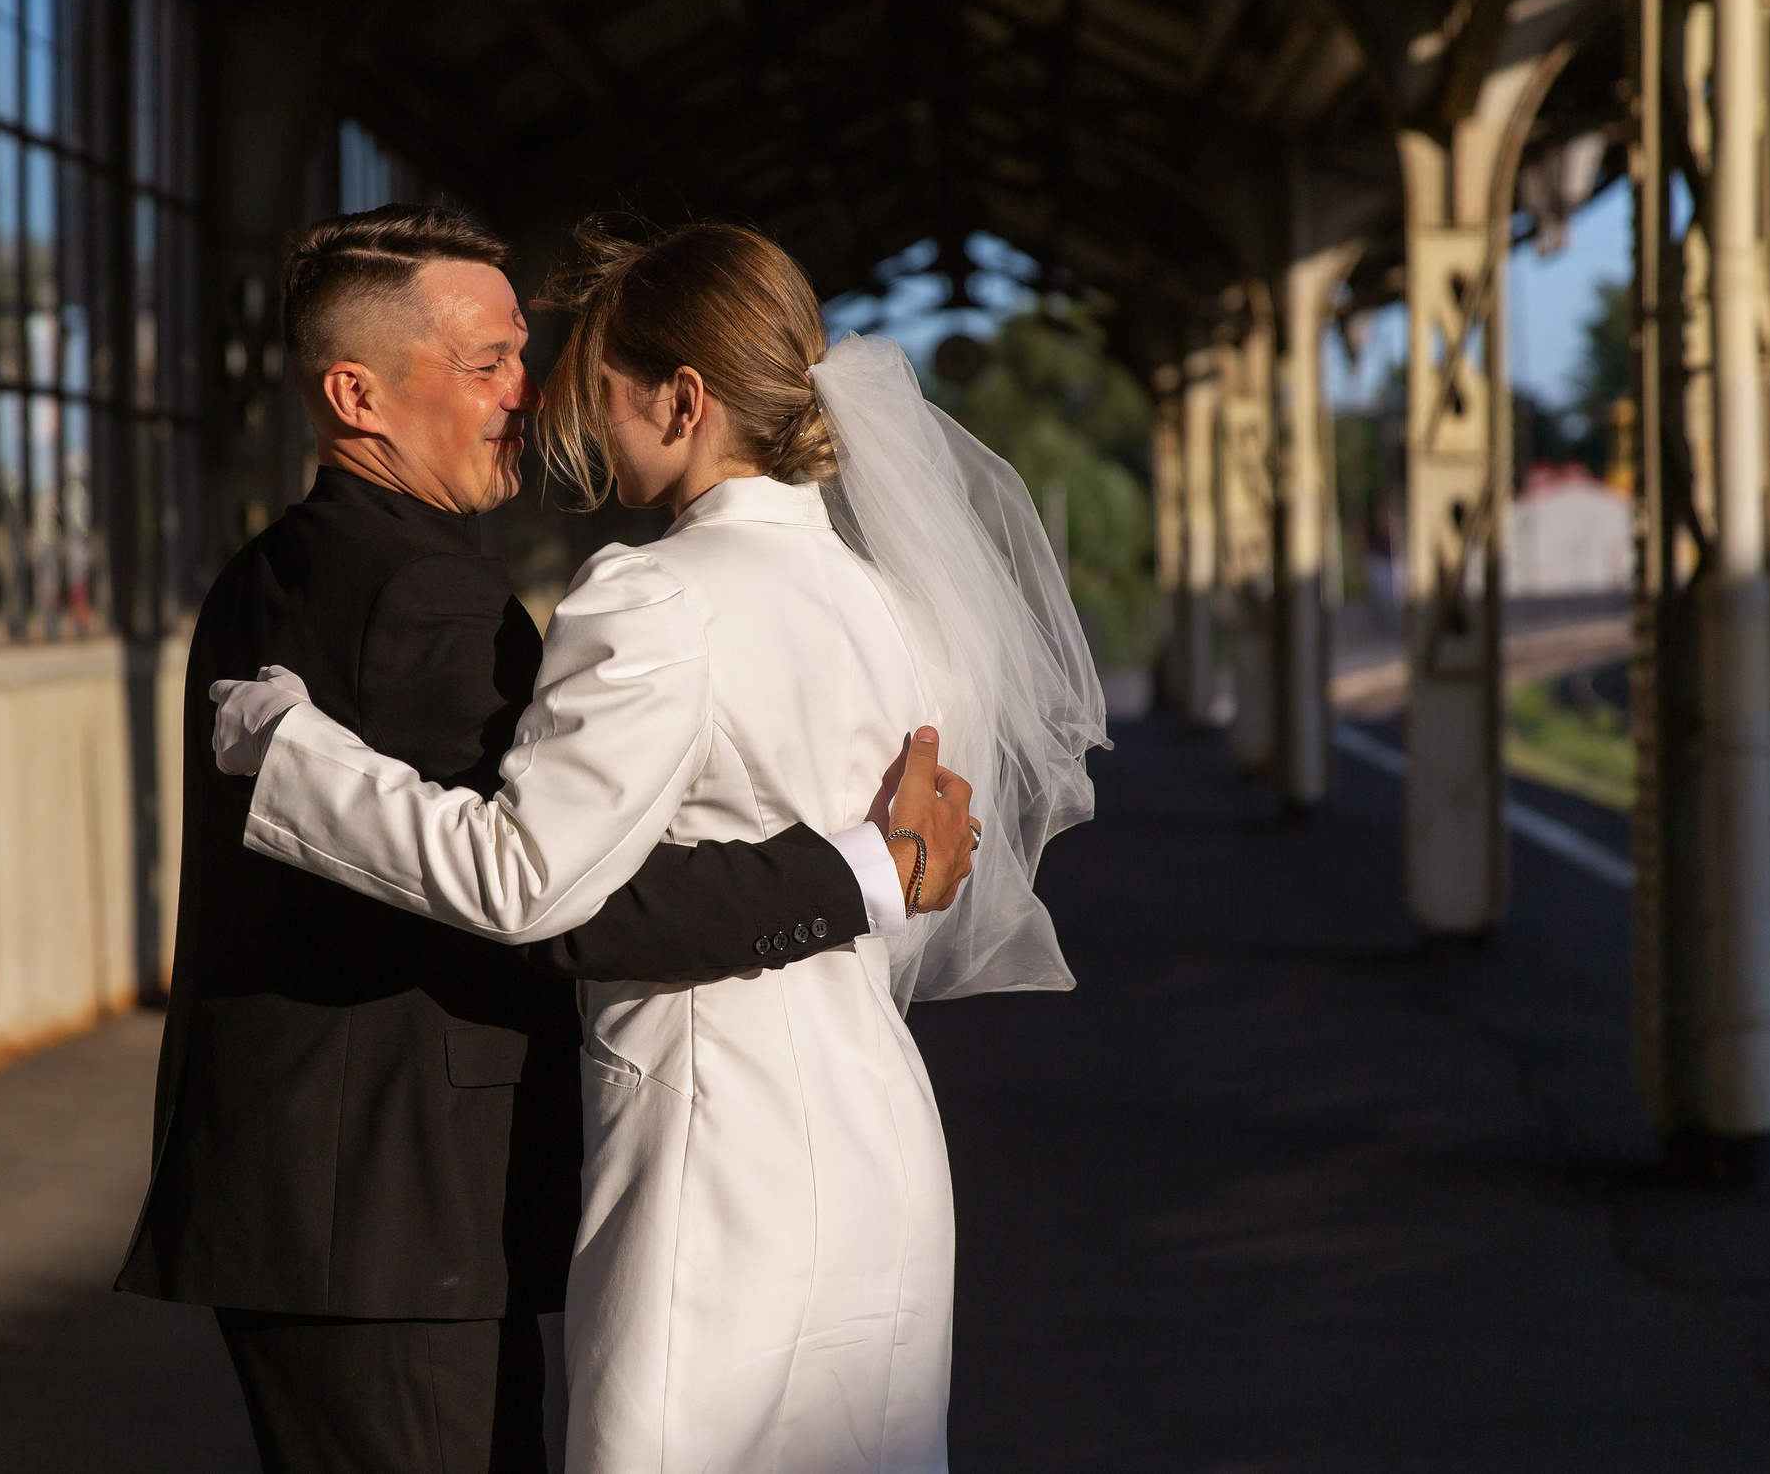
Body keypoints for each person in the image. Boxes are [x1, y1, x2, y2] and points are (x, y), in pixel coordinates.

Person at [210, 220, 1106, 1474]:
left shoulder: (652, 598)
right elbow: (918, 881)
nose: (562, 421)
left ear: (684, 400)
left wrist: (299, 758)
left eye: (597, 393)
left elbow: (531, 879)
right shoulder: (898, 607)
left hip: (710, 1141)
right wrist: (864, 876)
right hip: (881, 1135)